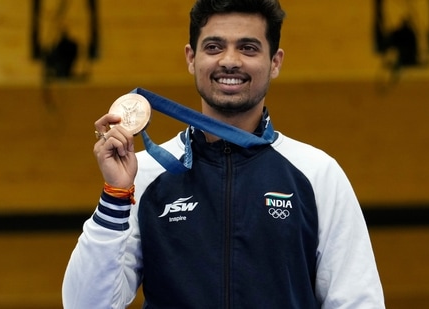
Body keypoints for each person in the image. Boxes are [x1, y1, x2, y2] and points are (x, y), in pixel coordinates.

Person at [62, 0, 385, 308]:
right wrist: (115, 196)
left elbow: (357, 300)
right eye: (214, 47)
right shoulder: (144, 174)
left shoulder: (316, 173)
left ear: (275, 62)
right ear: (191, 58)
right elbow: (85, 304)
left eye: (248, 47)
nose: (229, 60)